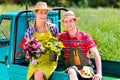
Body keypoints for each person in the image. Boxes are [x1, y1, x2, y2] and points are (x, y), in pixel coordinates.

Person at [59, 11, 102, 80]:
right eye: (66, 21)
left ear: (74, 21)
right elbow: (51, 43)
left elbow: (96, 54)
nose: (68, 24)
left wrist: (99, 73)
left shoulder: (85, 36)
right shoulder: (61, 37)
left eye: (70, 21)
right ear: (63, 23)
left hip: (86, 69)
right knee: (72, 71)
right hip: (71, 69)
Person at [24, 2, 59, 80]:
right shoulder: (30, 30)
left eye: (45, 13)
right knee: (34, 74)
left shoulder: (53, 28)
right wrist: (32, 58)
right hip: (35, 61)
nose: (43, 15)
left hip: (49, 61)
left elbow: (57, 45)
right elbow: (27, 49)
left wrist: (55, 54)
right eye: (41, 13)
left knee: (38, 73)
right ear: (35, 13)